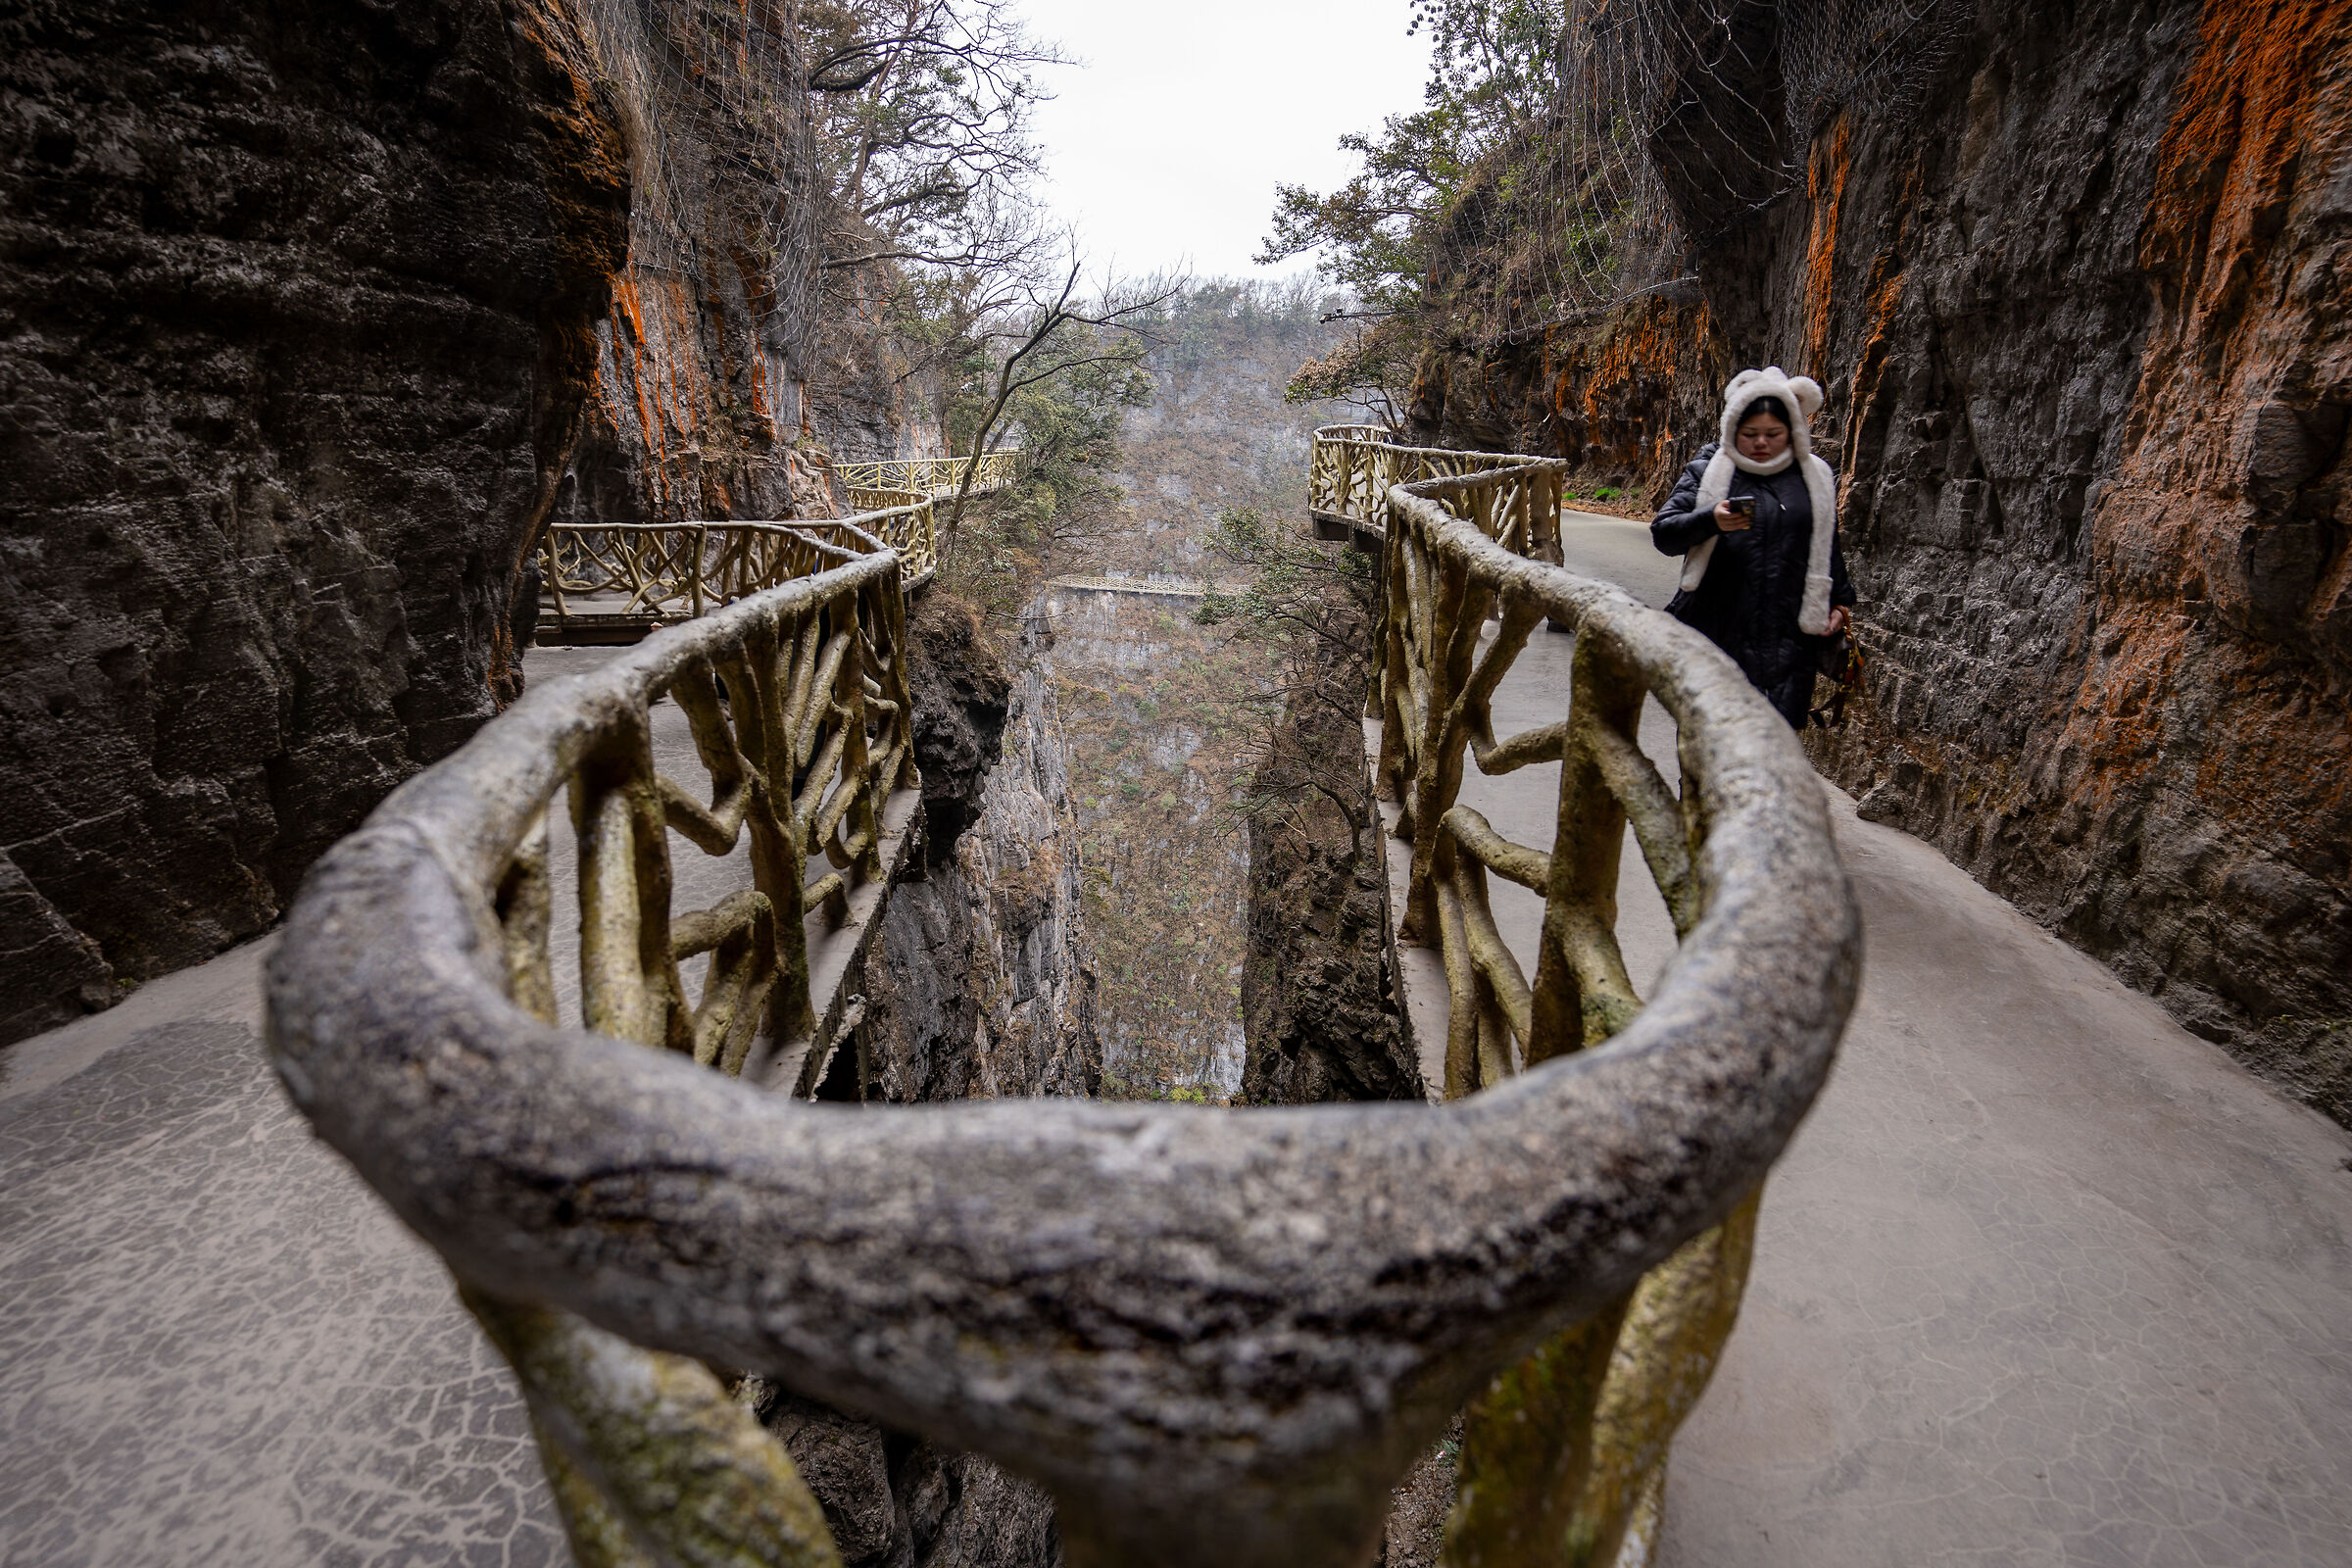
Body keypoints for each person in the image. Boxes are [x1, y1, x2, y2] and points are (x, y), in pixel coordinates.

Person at [1651, 367, 1856, 728]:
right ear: (1732, 429)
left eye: (1773, 434)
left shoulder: (1814, 476)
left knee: (1775, 750)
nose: (1761, 443)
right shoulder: (1708, 470)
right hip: (1716, 633)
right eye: (1750, 434)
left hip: (1789, 645)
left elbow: (1825, 544)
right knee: (1708, 745)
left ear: (1792, 431)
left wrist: (1839, 604)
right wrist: (1710, 519)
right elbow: (1665, 533)